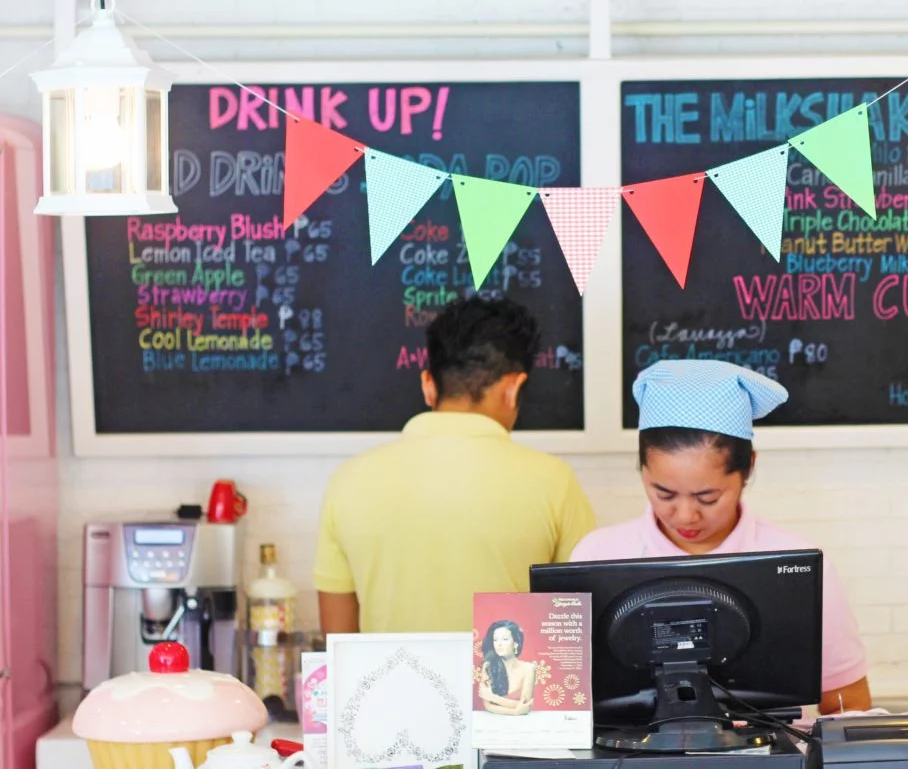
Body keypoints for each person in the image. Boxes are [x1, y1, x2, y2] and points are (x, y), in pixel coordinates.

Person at [570, 360, 871, 715]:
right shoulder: (597, 555)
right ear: (642, 469)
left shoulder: (796, 563)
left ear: (749, 468)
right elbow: (564, 700)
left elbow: (848, 703)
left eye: (707, 497)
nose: (685, 516)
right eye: (663, 493)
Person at [314, 296, 596, 635]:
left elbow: (338, 644)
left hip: (390, 688)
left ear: (428, 385)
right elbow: (581, 628)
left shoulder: (348, 481)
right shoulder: (554, 482)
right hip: (509, 688)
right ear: (513, 388)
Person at [479, 619, 535, 716]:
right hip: (493, 723)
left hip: (522, 724)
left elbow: (526, 706)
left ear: (515, 643)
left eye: (505, 639)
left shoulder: (528, 668)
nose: (499, 644)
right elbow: (488, 706)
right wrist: (515, 712)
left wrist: (492, 697)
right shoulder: (488, 666)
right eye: (495, 640)